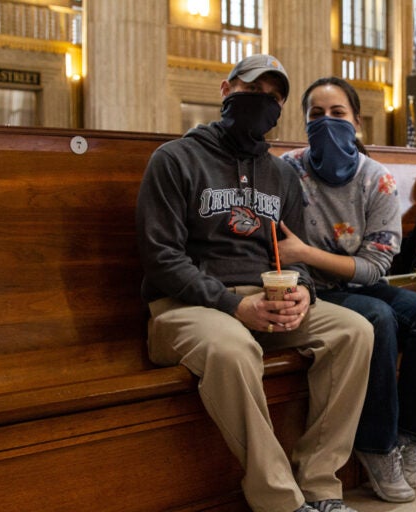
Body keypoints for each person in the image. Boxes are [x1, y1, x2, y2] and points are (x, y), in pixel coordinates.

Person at [135, 56, 374, 512]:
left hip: (264, 300)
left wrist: (304, 291)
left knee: (355, 331)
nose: (262, 102)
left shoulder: (281, 175)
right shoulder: (176, 158)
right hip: (185, 306)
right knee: (233, 348)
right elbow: (161, 257)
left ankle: (321, 483)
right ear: (226, 89)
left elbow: (293, 253)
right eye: (252, 90)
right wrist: (232, 305)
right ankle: (280, 500)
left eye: (273, 97)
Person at [277, 77, 416, 503]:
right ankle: (376, 445)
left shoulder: (378, 179)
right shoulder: (288, 170)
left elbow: (375, 269)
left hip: (358, 281)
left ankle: (411, 436)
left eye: (338, 114)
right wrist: (303, 258)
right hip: (313, 291)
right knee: (378, 318)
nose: (327, 123)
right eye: (316, 116)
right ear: (304, 124)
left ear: (356, 122)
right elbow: (282, 251)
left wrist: (307, 250)